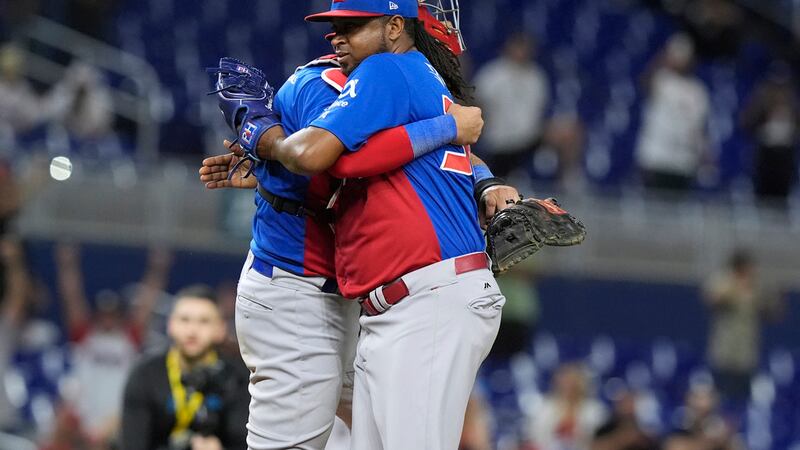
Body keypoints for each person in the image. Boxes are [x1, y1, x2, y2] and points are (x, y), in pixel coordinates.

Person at [199, 5, 518, 450]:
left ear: (394, 26)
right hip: (304, 289)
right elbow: (321, 156)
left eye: (352, 26)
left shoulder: (396, 75)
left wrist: (483, 178)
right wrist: (266, 146)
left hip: (412, 296)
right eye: (336, 28)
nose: (337, 37)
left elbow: (329, 155)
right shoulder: (370, 77)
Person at [56, 243, 172, 447]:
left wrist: (157, 268)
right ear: (97, 315)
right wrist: (67, 265)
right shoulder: (85, 336)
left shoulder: (128, 338)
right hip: (82, 422)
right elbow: (72, 299)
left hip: (117, 420)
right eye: (104, 314)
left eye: (113, 314)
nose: (108, 319)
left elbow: (147, 304)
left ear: (119, 316)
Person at [120, 285, 250, 450]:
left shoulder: (238, 377)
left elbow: (246, 443)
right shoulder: (144, 374)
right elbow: (133, 443)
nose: (192, 330)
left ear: (220, 329)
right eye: (184, 319)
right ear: (170, 325)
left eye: (204, 321)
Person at [702, 249, 783, 407]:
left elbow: (772, 312)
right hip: (725, 351)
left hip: (747, 353)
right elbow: (711, 299)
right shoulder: (723, 280)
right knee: (720, 395)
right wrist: (736, 287)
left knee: (744, 398)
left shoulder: (757, 286)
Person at [636, 33, 710, 193]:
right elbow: (644, 82)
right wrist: (662, 60)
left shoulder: (698, 89)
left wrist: (704, 154)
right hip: (657, 157)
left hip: (684, 161)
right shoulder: (662, 79)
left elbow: (699, 126)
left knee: (676, 211)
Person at [473, 32, 550, 178]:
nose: (521, 52)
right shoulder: (491, 75)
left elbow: (540, 112)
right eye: (518, 46)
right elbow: (477, 106)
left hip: (529, 140)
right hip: (499, 141)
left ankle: (568, 183)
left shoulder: (537, 77)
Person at [740, 64, 799, 207]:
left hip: (785, 152)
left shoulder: (793, 101)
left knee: (781, 198)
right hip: (767, 151)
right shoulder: (762, 98)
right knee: (764, 197)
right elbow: (746, 123)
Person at [526, 362, 607, 450]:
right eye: (564, 383)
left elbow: (598, 437)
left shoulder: (594, 409)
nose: (568, 387)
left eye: (572, 383)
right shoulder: (546, 407)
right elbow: (535, 436)